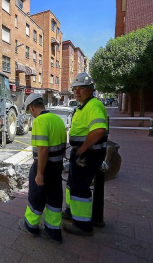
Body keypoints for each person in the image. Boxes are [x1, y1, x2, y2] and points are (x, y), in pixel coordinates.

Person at [63, 72, 108, 236]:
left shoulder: (93, 106)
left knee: (80, 187)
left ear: (91, 90)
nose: (77, 92)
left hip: (88, 155)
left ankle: (82, 225)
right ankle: (71, 212)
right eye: (75, 89)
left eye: (81, 88)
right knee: (72, 183)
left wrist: (82, 149)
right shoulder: (83, 106)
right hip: (81, 154)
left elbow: (98, 130)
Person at [19, 93, 67, 244]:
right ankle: (53, 231)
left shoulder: (40, 121)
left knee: (36, 195)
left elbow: (42, 150)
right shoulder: (57, 120)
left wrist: (39, 173)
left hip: (44, 167)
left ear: (32, 108)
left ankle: (31, 225)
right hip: (57, 166)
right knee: (54, 197)